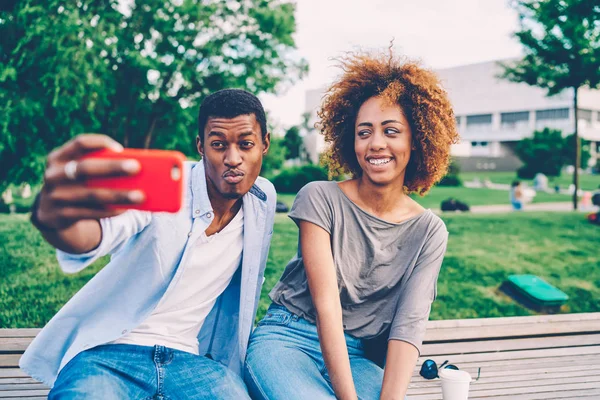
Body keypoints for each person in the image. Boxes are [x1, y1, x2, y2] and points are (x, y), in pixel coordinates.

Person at [21, 89, 276, 399]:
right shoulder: (165, 187)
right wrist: (54, 218)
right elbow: (96, 233)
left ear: (265, 144)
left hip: (192, 363)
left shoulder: (263, 199)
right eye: (218, 145)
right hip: (108, 355)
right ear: (200, 147)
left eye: (246, 145)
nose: (232, 159)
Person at [244, 52, 458, 400]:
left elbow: (408, 326)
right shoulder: (319, 198)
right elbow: (326, 305)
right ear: (350, 140)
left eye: (391, 131)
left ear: (416, 140)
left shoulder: (429, 231)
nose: (376, 143)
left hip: (357, 355)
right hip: (287, 339)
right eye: (364, 132)